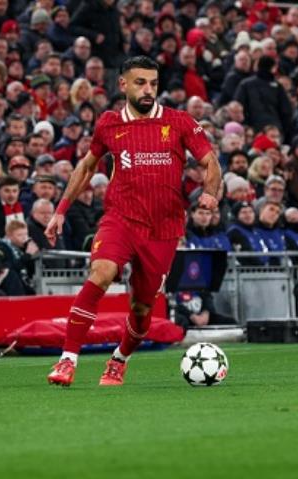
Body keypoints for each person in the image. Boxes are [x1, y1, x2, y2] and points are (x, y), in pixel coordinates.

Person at [45, 56, 221, 387]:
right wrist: (61, 210)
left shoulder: (180, 122)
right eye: (140, 83)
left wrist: (210, 192)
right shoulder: (109, 123)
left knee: (141, 310)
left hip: (164, 228)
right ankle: (67, 360)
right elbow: (86, 167)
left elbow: (211, 162)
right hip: (121, 218)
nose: (148, 90)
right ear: (123, 84)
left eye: (153, 83)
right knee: (102, 272)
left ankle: (119, 360)